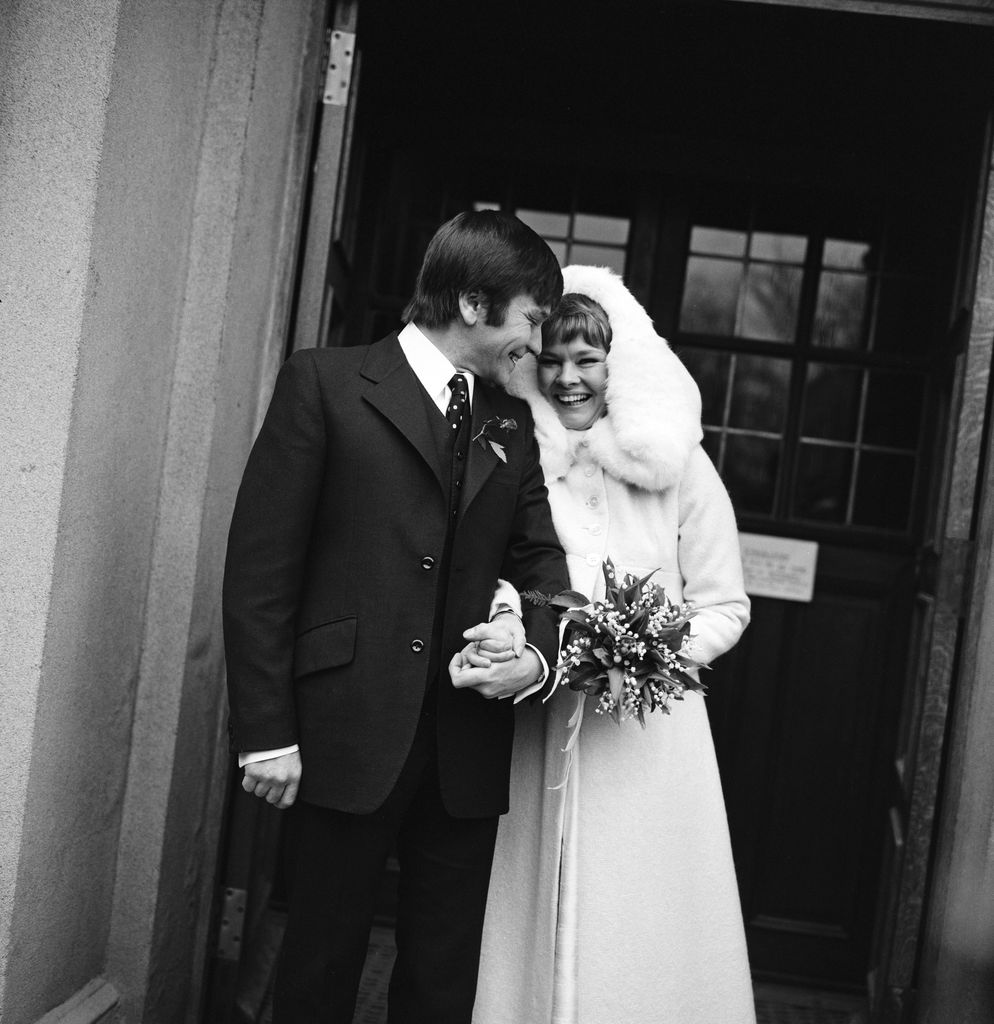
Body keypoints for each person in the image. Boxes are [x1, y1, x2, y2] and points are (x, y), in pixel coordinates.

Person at [222, 210, 570, 1023]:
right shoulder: (325, 383)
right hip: (342, 731)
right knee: (318, 968)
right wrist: (266, 731)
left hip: (466, 748)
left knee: (443, 983)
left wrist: (535, 652)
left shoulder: (508, 423)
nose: (537, 339)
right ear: (477, 305)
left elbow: (542, 565)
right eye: (532, 316)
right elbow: (261, 571)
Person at [471, 265, 755, 1024]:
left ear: (617, 365)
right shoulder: (517, 462)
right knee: (531, 903)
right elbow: (501, 576)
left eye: (586, 361)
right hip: (540, 723)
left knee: (642, 918)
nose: (568, 379)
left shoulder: (682, 467)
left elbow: (725, 604)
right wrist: (514, 634)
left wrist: (648, 654)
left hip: (650, 739)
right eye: (552, 359)